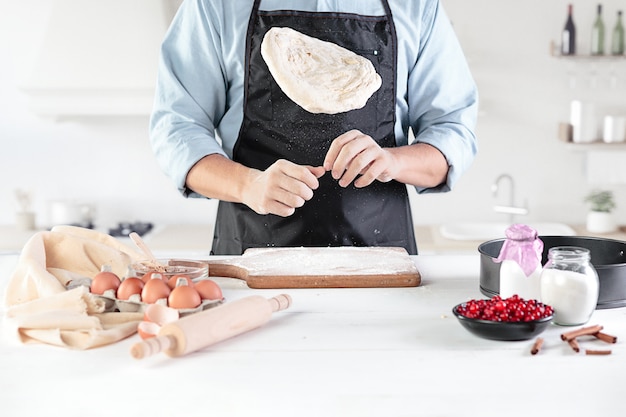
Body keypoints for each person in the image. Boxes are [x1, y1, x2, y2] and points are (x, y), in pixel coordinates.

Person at [149, 0, 478, 255]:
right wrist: (248, 184)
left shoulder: (415, 6)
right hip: (251, 261)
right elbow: (177, 130)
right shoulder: (216, 6)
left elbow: (452, 131)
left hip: (382, 263)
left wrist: (394, 161)